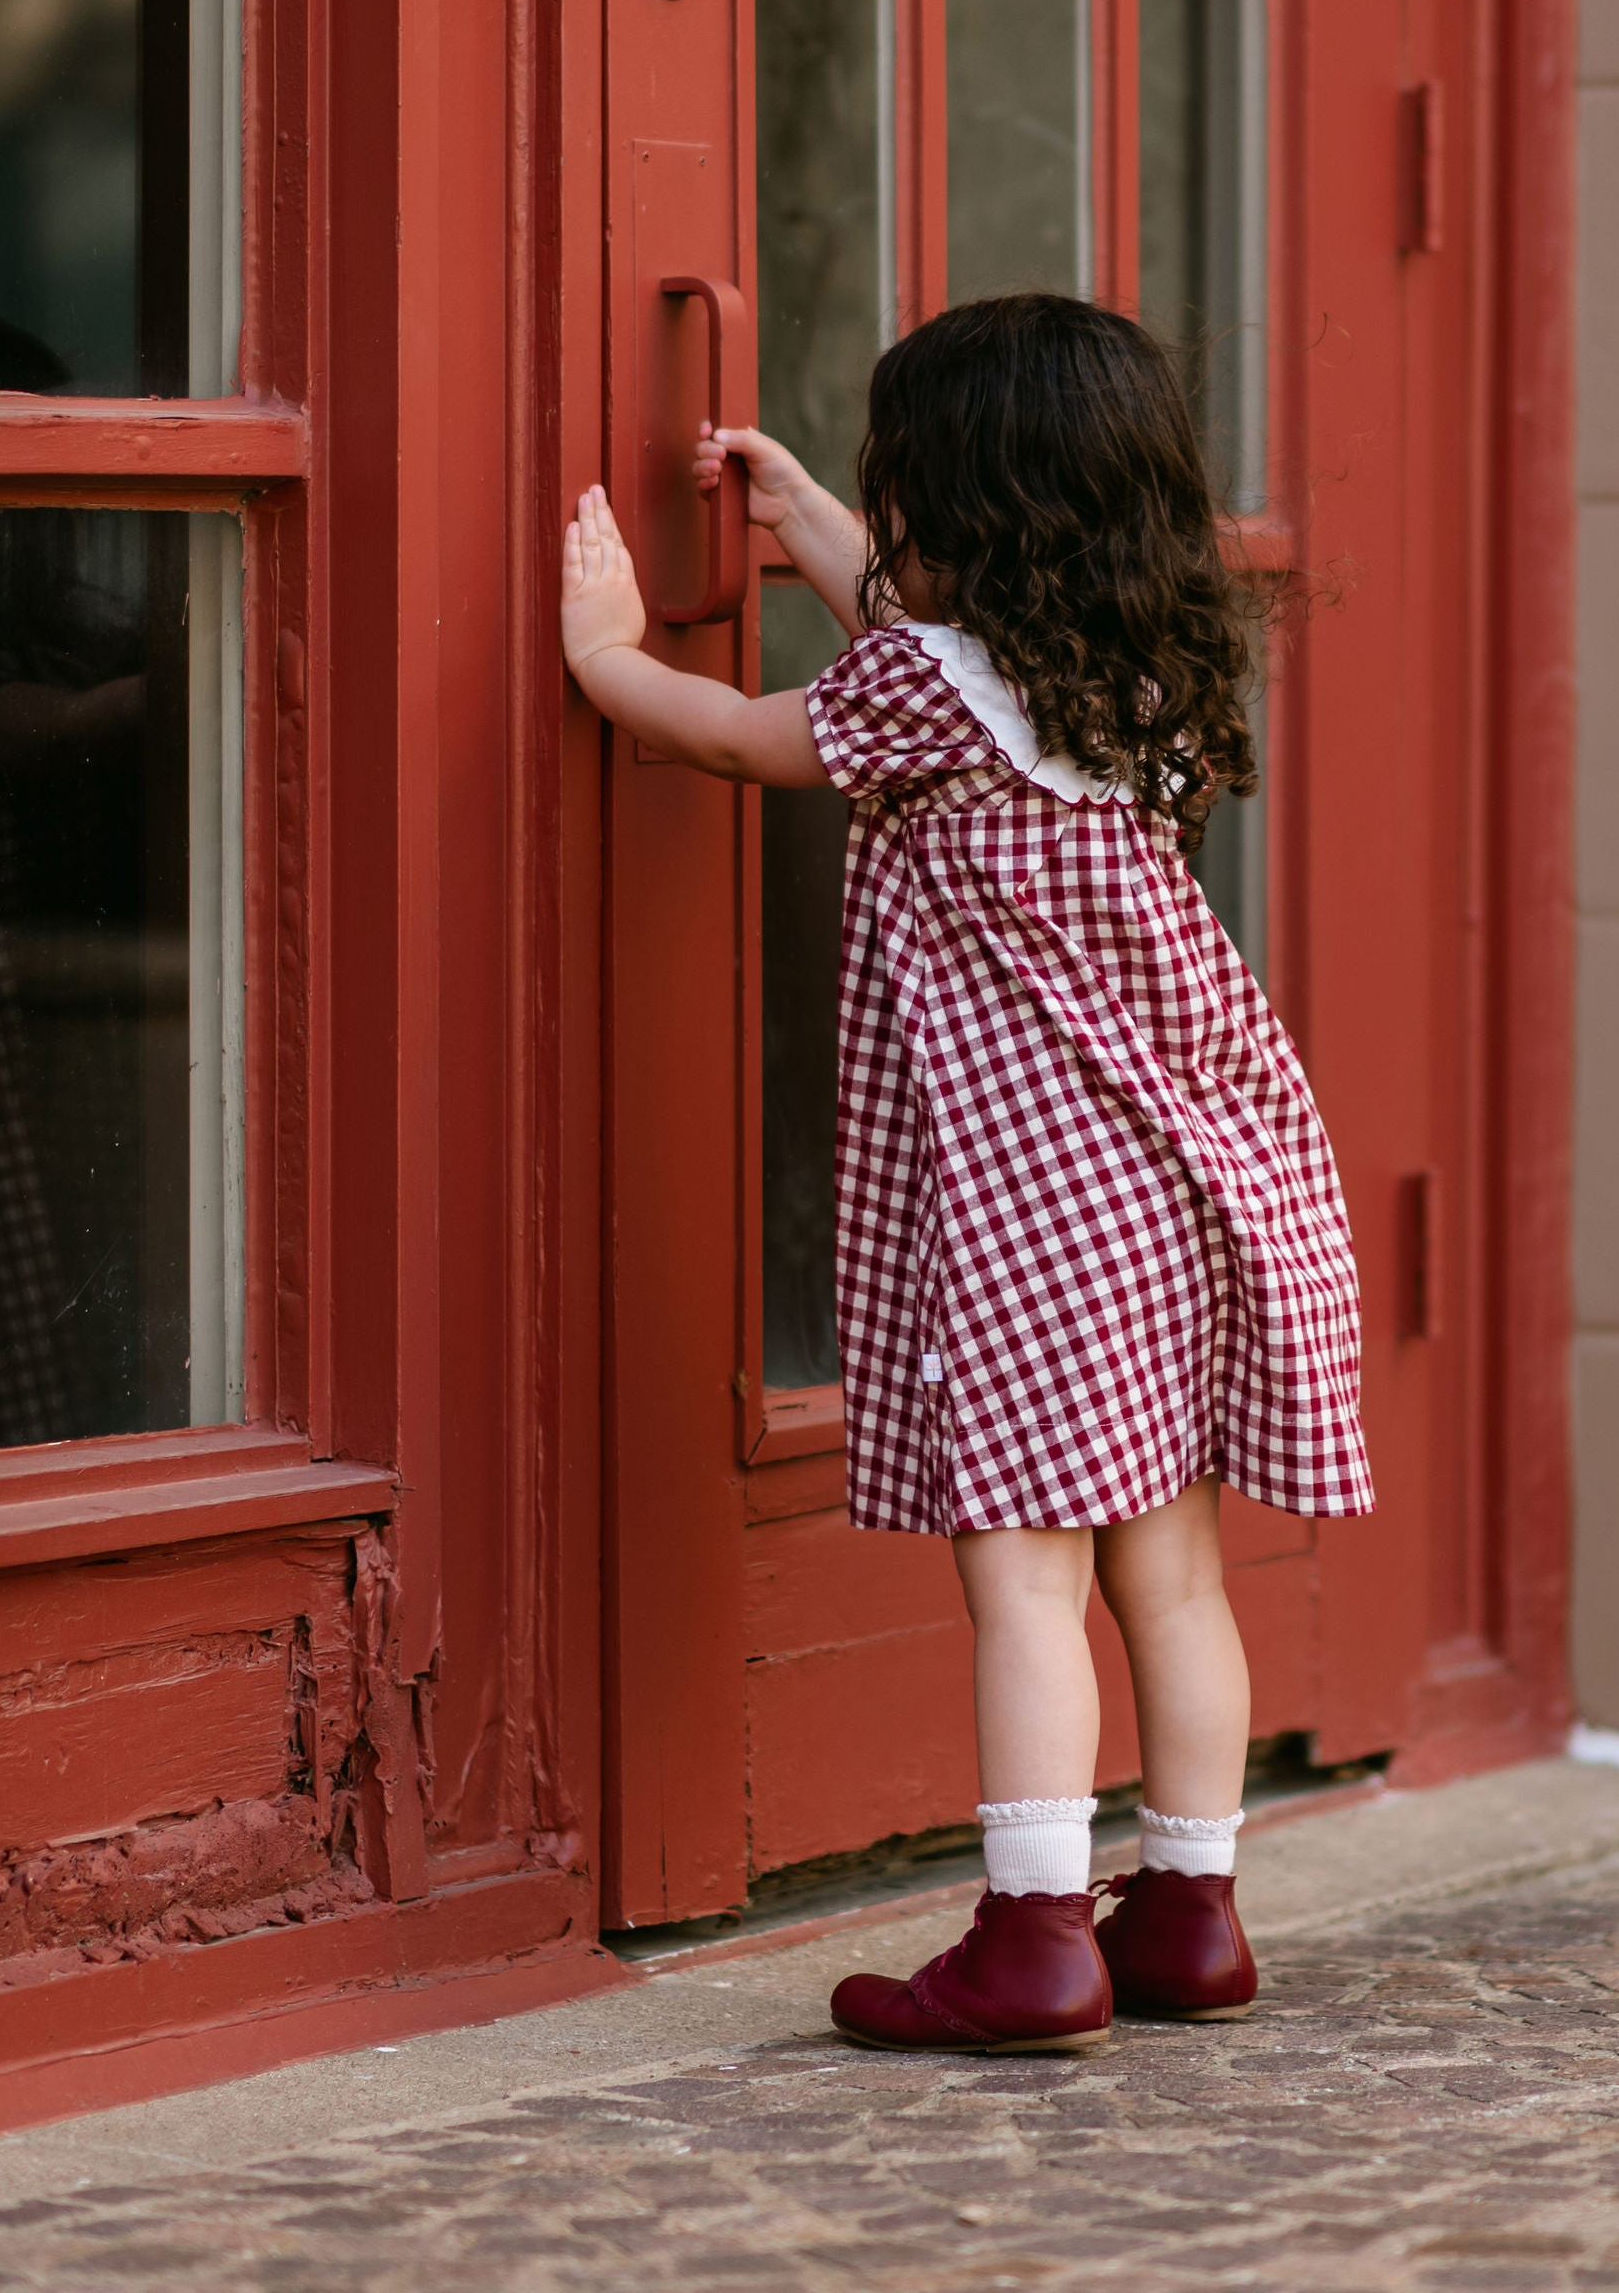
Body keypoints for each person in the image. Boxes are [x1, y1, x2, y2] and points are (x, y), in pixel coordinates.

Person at [560, 292, 1372, 2053]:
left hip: (1033, 1210)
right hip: (1195, 1176)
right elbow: (933, 651)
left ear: (970, 515)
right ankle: (1188, 1912)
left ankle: (1028, 1937)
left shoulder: (924, 693)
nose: (890, 524)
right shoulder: (1141, 666)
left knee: (1021, 1580)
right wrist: (804, 528)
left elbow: (748, 735)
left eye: (897, 495)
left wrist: (611, 655)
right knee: (1172, 1578)